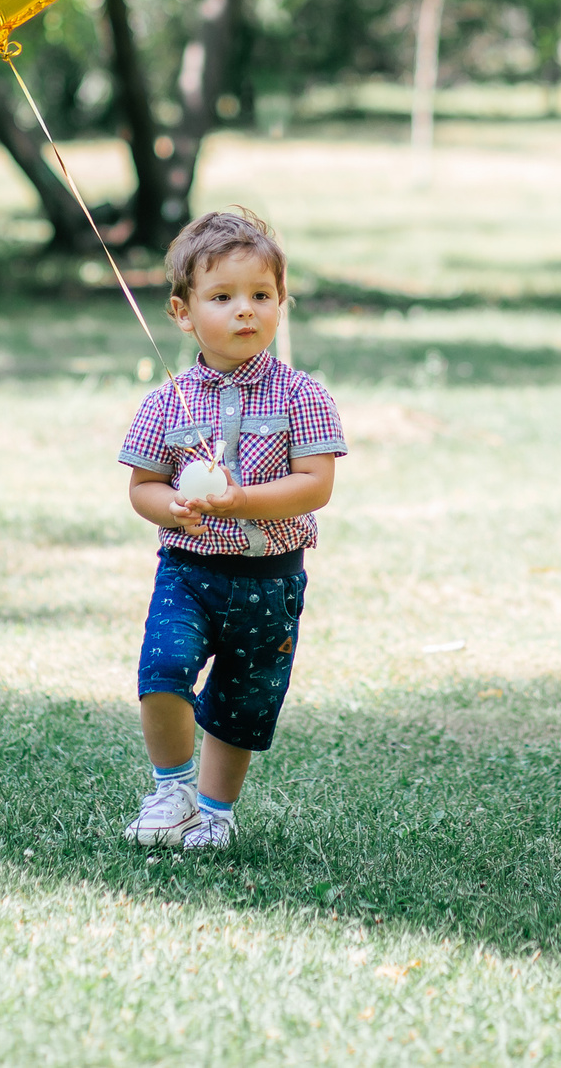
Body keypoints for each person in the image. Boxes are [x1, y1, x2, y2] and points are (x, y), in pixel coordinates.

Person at [116, 208, 346, 850]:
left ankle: (214, 813)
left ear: (282, 304)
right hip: (189, 572)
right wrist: (173, 509)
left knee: (240, 707)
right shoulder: (167, 401)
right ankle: (172, 790)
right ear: (182, 313)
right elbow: (143, 487)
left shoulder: (303, 395)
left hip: (270, 581)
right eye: (222, 297)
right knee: (162, 669)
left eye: (261, 296)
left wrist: (243, 502)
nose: (245, 310)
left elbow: (316, 485)